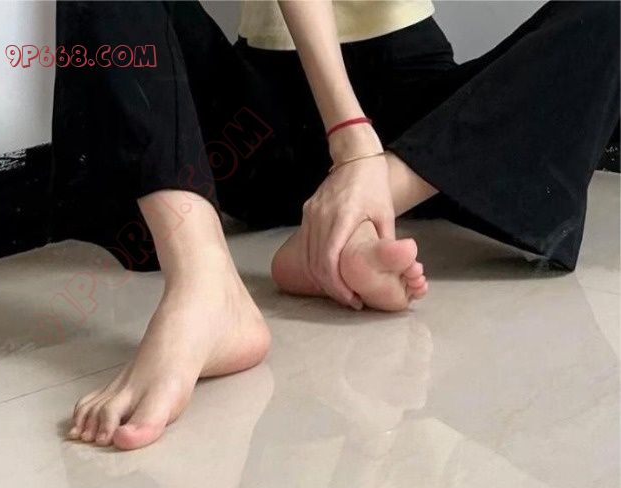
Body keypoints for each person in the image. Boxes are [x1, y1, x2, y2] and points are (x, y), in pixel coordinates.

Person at [52, 0, 619, 450]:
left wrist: (375, 173)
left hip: (413, 126)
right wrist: (350, 141)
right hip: (260, 118)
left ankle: (364, 206)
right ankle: (203, 280)